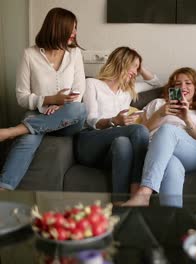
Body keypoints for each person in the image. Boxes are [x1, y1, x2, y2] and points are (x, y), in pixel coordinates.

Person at [0, 7, 87, 190]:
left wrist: (61, 106)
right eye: (71, 28)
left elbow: (79, 91)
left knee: (80, 109)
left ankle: (12, 131)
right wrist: (49, 99)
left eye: (75, 28)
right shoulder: (29, 55)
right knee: (27, 140)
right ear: (57, 28)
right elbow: (21, 97)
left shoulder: (75, 54)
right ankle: (4, 189)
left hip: (67, 119)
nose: (75, 33)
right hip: (39, 113)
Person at [75, 47, 159, 194]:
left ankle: (120, 204)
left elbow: (156, 84)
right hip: (89, 143)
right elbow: (90, 120)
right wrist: (114, 121)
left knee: (123, 143)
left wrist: (139, 67)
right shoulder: (92, 84)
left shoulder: (128, 90)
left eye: (137, 68)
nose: (135, 71)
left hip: (111, 151)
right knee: (140, 130)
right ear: (121, 62)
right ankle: (136, 188)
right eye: (132, 65)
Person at [124, 67, 196, 207]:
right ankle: (172, 222)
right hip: (157, 154)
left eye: (188, 83)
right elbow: (142, 132)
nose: (183, 87)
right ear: (171, 87)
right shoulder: (157, 104)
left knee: (167, 130)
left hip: (191, 154)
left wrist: (187, 118)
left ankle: (144, 193)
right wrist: (160, 113)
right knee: (171, 165)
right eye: (178, 84)